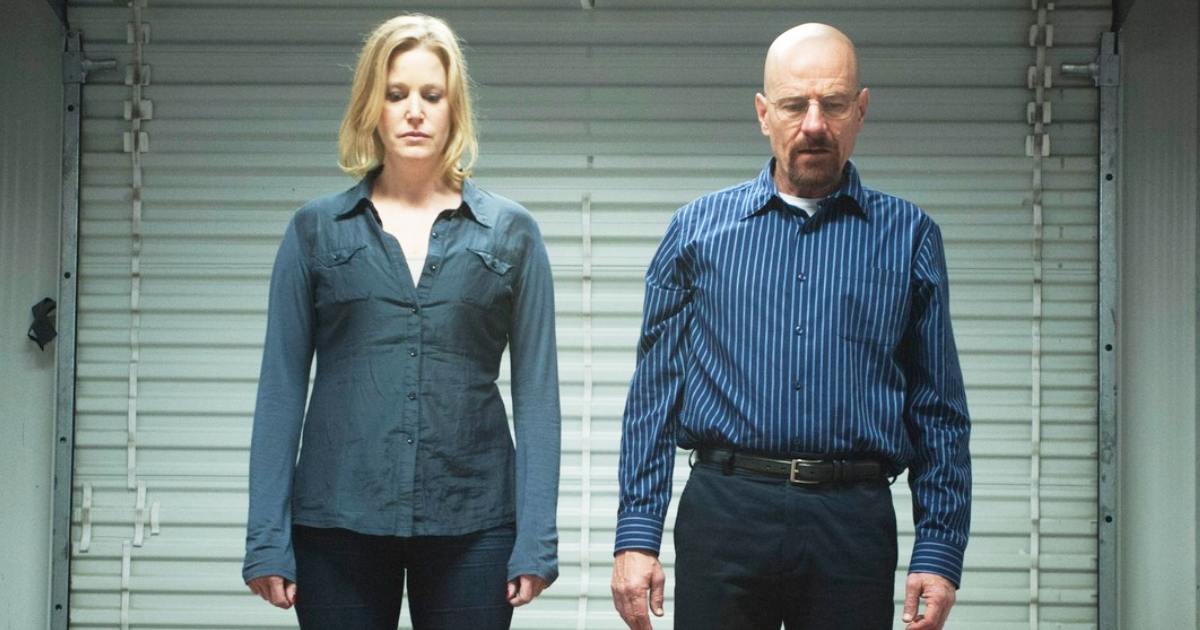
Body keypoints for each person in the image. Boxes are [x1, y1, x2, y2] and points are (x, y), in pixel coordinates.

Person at [610, 23, 971, 630]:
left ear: (861, 110)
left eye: (833, 104)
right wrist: (637, 534)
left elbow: (938, 409)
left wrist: (939, 549)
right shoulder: (696, 231)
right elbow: (654, 395)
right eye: (794, 104)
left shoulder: (910, 237)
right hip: (725, 513)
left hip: (852, 525)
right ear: (763, 113)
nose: (814, 124)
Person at [241, 14, 561, 629]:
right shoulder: (314, 231)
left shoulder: (512, 233)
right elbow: (280, 389)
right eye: (396, 94)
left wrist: (536, 537)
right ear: (373, 106)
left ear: (453, 108)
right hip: (337, 520)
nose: (414, 112)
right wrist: (266, 536)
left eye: (431, 95)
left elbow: (538, 396)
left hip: (474, 520)